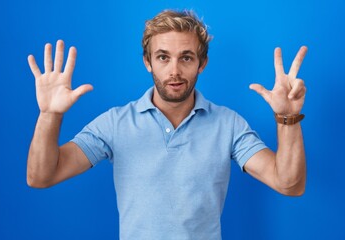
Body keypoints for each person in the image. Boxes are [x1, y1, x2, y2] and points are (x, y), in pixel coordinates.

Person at [27, 9, 307, 240]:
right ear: (148, 62)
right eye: (163, 57)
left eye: (186, 57)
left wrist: (288, 119)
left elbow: (289, 185)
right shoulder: (115, 123)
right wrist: (50, 115)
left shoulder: (228, 124)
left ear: (202, 64)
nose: (174, 71)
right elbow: (42, 176)